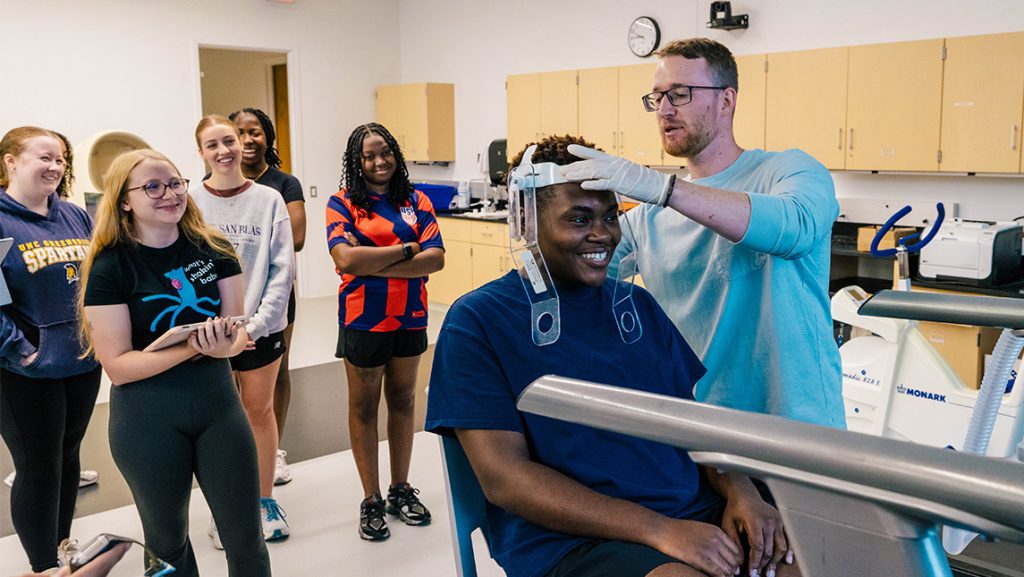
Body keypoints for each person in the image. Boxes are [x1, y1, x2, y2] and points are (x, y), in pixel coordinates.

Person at [426, 135, 795, 577]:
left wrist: (742, 492)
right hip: (574, 538)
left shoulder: (636, 309)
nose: (602, 234)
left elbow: (692, 423)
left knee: (801, 562)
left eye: (610, 216)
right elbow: (505, 479)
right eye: (579, 219)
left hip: (691, 510)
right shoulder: (479, 321)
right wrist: (659, 530)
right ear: (525, 218)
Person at [561, 38, 844, 428]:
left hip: (800, 426)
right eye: (657, 97)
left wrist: (666, 190)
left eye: (680, 93)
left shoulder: (788, 171)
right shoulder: (647, 219)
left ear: (726, 101)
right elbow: (579, 276)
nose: (664, 110)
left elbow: (797, 228)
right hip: (704, 429)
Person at [79, 148, 271, 577]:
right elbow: (118, 366)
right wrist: (194, 347)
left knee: (246, 539)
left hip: (218, 409)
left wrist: (225, 344)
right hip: (146, 421)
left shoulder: (214, 248)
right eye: (152, 187)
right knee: (167, 545)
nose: (169, 194)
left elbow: (237, 334)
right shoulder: (111, 266)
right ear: (124, 200)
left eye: (175, 183)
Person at [326, 122, 444, 541]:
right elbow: (346, 260)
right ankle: (371, 498)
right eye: (369, 156)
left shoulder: (417, 200)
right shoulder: (341, 204)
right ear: (356, 163)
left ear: (395, 153)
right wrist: (408, 249)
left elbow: (436, 260)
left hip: (411, 316)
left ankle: (400, 488)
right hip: (363, 319)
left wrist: (373, 259)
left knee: (403, 399)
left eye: (385, 152)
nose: (379, 162)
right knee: (363, 408)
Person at [0, 126, 102, 573]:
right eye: (44, 157)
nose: (56, 167)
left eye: (60, 159)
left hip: (80, 361)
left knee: (67, 460)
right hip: (22, 370)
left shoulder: (75, 216)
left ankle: (61, 550)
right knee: (38, 466)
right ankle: (43, 566)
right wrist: (21, 349)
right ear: (10, 162)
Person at [190, 115, 294, 546]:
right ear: (201, 153)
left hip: (260, 329)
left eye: (229, 141)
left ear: (242, 144)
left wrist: (253, 325)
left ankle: (263, 499)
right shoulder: (190, 200)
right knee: (217, 422)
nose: (224, 151)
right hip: (208, 333)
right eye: (212, 145)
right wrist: (212, 329)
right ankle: (225, 507)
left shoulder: (269, 199)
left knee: (259, 412)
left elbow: (282, 269)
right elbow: (184, 268)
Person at [228, 107, 306, 486]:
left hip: (275, 293)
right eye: (238, 132)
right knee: (231, 378)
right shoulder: (222, 188)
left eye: (255, 131)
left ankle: (273, 450)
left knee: (277, 372)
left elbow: (299, 238)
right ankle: (240, 448)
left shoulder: (283, 184)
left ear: (267, 137)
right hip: (228, 297)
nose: (247, 140)